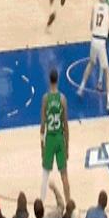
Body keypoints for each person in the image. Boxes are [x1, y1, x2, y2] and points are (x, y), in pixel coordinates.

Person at [77, 0, 109, 112]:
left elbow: (91, 26)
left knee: (91, 63)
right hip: (102, 41)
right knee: (107, 72)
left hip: (94, 39)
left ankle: (81, 87)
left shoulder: (94, 6)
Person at [40, 69, 70, 205]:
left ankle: (40, 204)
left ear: (49, 80)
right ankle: (69, 205)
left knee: (45, 175)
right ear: (57, 80)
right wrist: (67, 146)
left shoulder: (45, 99)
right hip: (59, 138)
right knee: (64, 175)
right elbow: (66, 125)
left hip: (50, 139)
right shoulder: (62, 99)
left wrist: (42, 146)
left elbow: (42, 125)